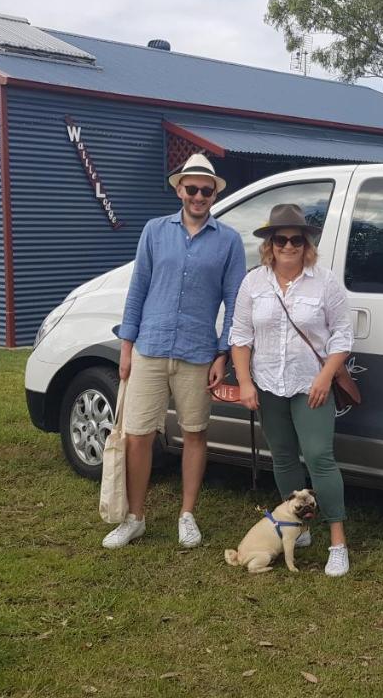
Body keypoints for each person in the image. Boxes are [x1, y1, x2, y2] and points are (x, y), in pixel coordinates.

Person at [103, 153, 246, 549]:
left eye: (206, 190)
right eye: (192, 188)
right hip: (149, 346)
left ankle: (187, 514)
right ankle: (135, 517)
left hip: (198, 353)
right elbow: (138, 291)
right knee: (137, 435)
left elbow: (234, 302)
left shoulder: (229, 241)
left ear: (213, 194)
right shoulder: (153, 231)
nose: (198, 196)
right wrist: (127, 347)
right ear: (180, 190)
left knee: (195, 433)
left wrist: (222, 354)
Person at [229, 204, 355, 577]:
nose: (288, 245)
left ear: (306, 243)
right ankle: (297, 530)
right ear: (269, 243)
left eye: (295, 239)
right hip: (268, 383)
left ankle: (337, 542)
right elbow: (240, 335)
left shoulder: (325, 281)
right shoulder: (254, 282)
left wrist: (325, 376)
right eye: (280, 239)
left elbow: (343, 335)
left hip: (310, 385)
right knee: (283, 457)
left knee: (319, 457)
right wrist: (245, 382)